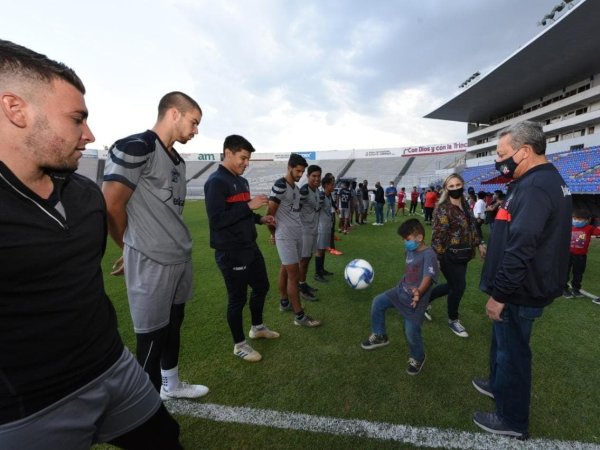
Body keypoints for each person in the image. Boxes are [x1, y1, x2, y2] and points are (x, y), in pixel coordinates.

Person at [0, 39, 182, 449]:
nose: (90, 134)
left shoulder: (85, 196)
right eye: (77, 118)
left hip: (113, 368)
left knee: (166, 440)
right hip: (27, 410)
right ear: (16, 109)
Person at [103, 92, 208, 399]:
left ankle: (171, 385)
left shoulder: (178, 160)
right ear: (173, 114)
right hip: (151, 259)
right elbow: (111, 205)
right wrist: (128, 247)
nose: (196, 130)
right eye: (194, 122)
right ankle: (145, 411)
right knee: (151, 336)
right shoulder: (138, 146)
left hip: (179, 256)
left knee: (174, 324)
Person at [473, 121, 572, 439]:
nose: (498, 160)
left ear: (525, 151)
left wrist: (499, 294)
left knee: (513, 353)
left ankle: (513, 419)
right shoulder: (537, 180)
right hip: (520, 284)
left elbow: (523, 247)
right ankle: (497, 384)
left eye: (502, 153)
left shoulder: (535, 186)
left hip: (519, 289)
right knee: (502, 344)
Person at [204, 135, 280, 363]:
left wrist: (259, 219)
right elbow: (217, 220)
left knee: (262, 286)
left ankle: (257, 328)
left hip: (249, 246)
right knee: (237, 298)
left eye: (248, 159)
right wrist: (249, 205)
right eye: (243, 158)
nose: (246, 163)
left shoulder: (241, 181)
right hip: (231, 250)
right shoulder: (216, 181)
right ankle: (239, 345)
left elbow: (240, 213)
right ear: (228, 153)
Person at [360, 219, 438, 375]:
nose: (404, 242)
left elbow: (428, 277)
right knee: (378, 302)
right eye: (403, 239)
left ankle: (418, 357)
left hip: (416, 301)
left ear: (420, 237)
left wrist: (419, 292)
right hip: (400, 291)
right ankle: (380, 335)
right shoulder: (409, 250)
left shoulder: (429, 254)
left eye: (407, 239)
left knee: (410, 331)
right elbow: (410, 271)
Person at [427, 173, 485, 338]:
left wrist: (480, 243)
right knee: (458, 286)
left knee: (453, 285)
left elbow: (472, 226)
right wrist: (437, 259)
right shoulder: (443, 209)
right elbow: (438, 236)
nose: (455, 189)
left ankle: (425, 300)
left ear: (463, 185)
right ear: (446, 188)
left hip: (464, 254)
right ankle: (453, 319)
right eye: (451, 186)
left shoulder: (465, 204)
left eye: (457, 185)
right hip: (448, 255)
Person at [267, 153, 322, 327]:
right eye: (297, 171)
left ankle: (285, 302)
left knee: (285, 269)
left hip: (296, 234)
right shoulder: (280, 185)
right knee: (294, 275)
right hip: (286, 236)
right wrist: (274, 233)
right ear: (289, 167)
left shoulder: (296, 189)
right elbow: (269, 214)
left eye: (302, 171)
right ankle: (300, 316)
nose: (299, 174)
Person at [562, 208, 600, 299]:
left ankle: (575, 289)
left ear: (587, 220)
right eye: (575, 218)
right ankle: (564, 289)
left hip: (581, 256)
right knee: (565, 272)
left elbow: (598, 231)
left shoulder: (589, 228)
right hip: (568, 254)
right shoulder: (568, 226)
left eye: (580, 219)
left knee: (578, 273)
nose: (577, 221)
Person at [298, 165, 322, 301]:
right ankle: (301, 287)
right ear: (308, 177)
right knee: (303, 260)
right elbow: (295, 210)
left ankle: (303, 282)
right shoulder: (304, 191)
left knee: (308, 259)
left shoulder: (317, 191)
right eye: (314, 176)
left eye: (318, 176)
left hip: (313, 230)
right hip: (304, 231)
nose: (316, 178)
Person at [314, 174, 336, 282]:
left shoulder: (328, 196)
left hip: (327, 226)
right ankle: (317, 274)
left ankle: (321, 270)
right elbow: (315, 209)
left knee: (323, 249)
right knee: (319, 250)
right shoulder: (322, 196)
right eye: (332, 184)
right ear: (326, 185)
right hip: (321, 227)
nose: (334, 186)